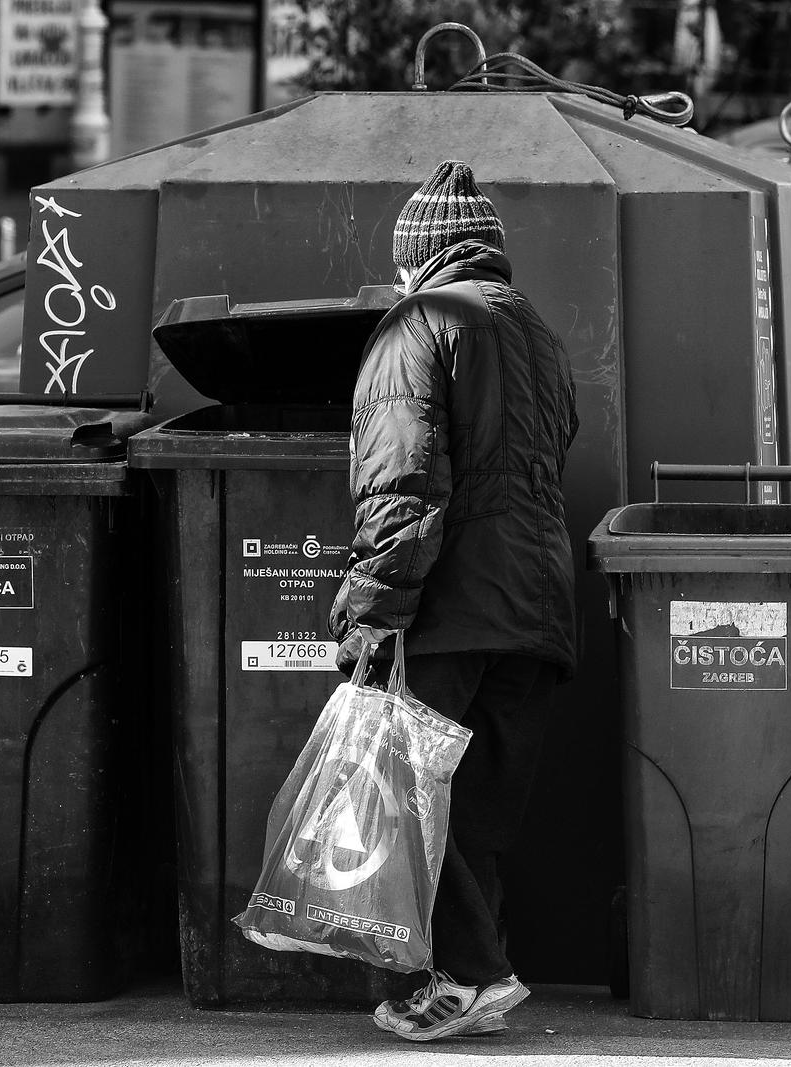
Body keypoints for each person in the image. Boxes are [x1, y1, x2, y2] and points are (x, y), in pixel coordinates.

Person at [328, 159, 579, 1043]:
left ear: (418, 256)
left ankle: (469, 973)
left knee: (398, 786)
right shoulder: (535, 331)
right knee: (470, 808)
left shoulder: (419, 321)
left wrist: (370, 609)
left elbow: (402, 485)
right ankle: (466, 988)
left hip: (454, 606)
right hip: (538, 606)